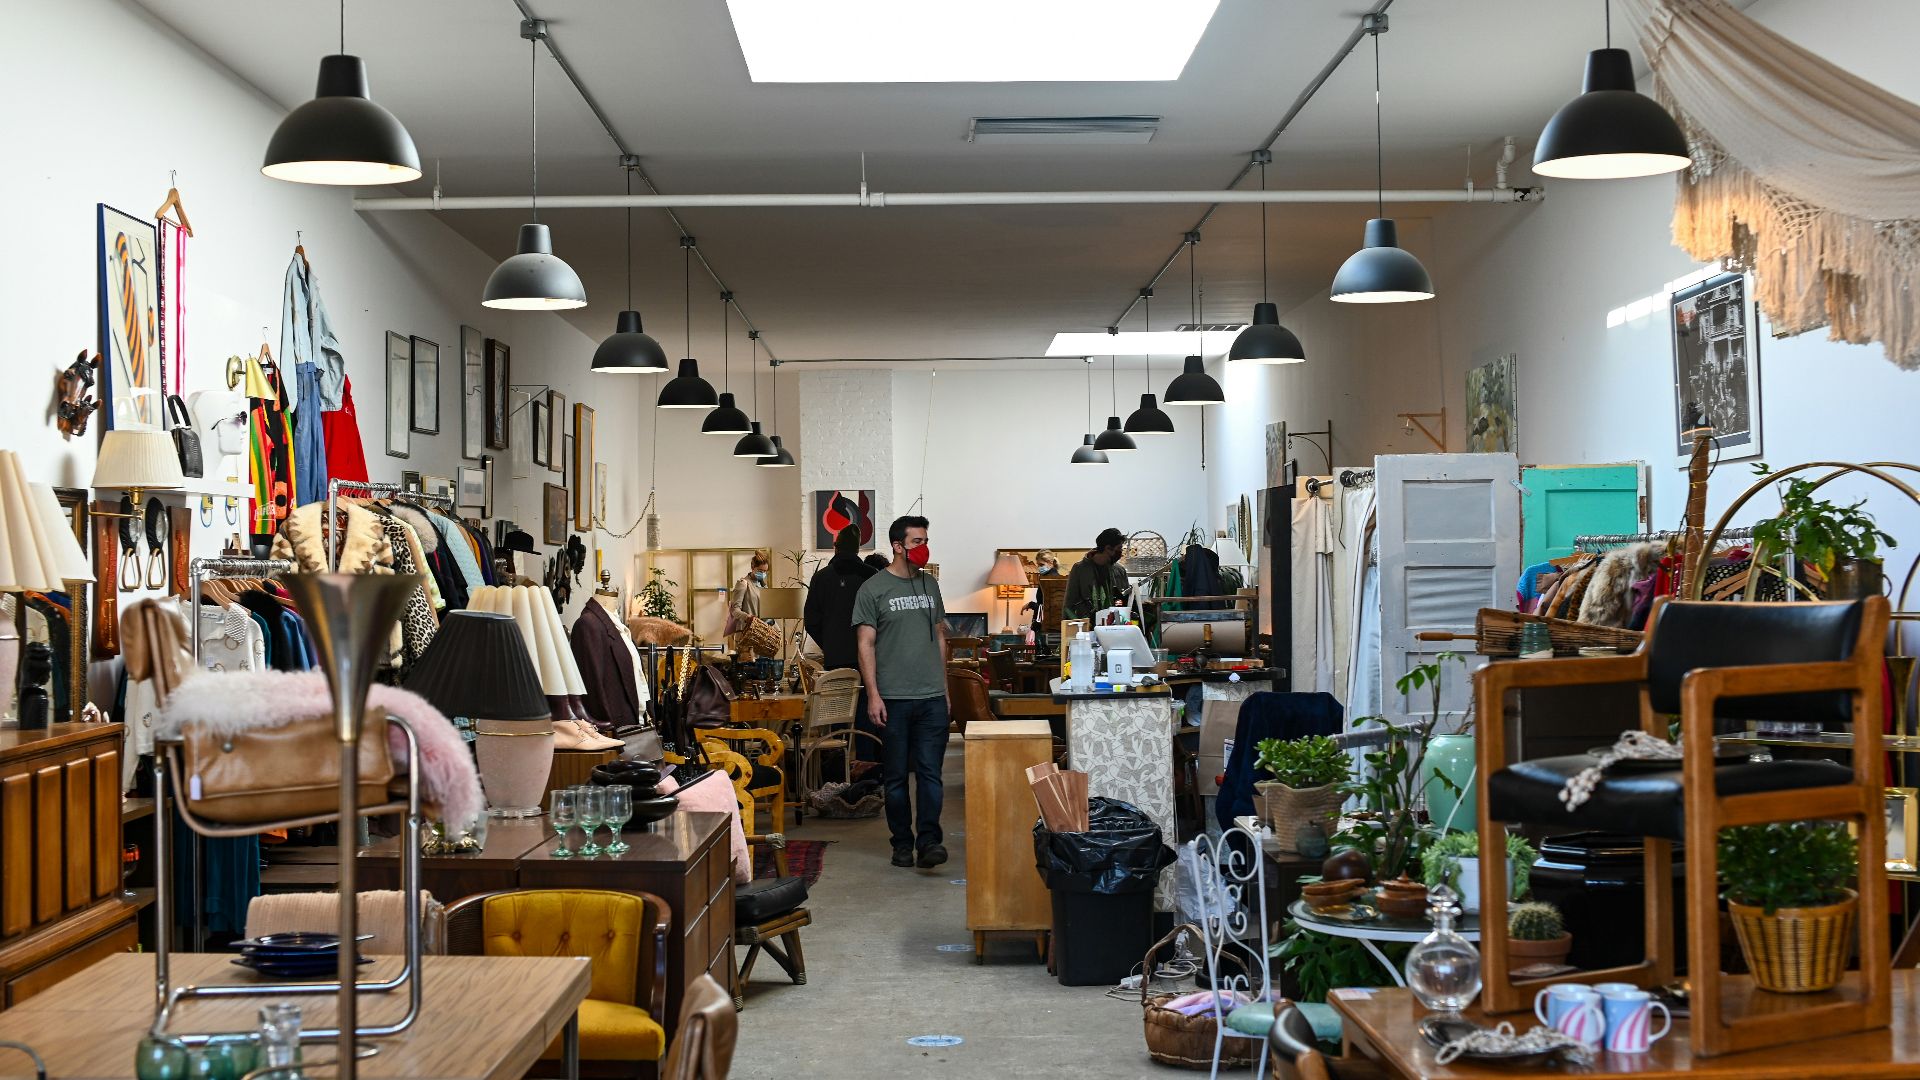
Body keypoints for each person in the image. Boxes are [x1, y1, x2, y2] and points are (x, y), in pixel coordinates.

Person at [853, 515, 950, 869]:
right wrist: (873, 694)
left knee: (930, 774)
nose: (923, 549)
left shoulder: (930, 586)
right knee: (895, 778)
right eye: (916, 542)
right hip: (892, 699)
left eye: (925, 541)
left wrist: (945, 688)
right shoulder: (873, 589)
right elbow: (865, 644)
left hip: (931, 699)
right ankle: (901, 843)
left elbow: (939, 637)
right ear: (897, 546)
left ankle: (929, 842)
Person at [805, 525, 881, 761]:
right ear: (858, 548)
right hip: (868, 661)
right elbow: (885, 620)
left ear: (835, 547)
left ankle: (837, 776)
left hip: (836, 662)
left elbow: (811, 621)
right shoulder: (872, 577)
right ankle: (867, 773)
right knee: (868, 719)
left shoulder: (821, 578)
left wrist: (829, 644)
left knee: (836, 721)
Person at [1065, 527, 1130, 620]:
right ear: (1108, 548)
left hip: (1114, 627)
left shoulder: (1119, 570)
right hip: (1087, 627)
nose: (1121, 553)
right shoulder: (1080, 569)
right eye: (1119, 548)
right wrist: (1067, 628)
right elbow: (1069, 603)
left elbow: (1126, 602)